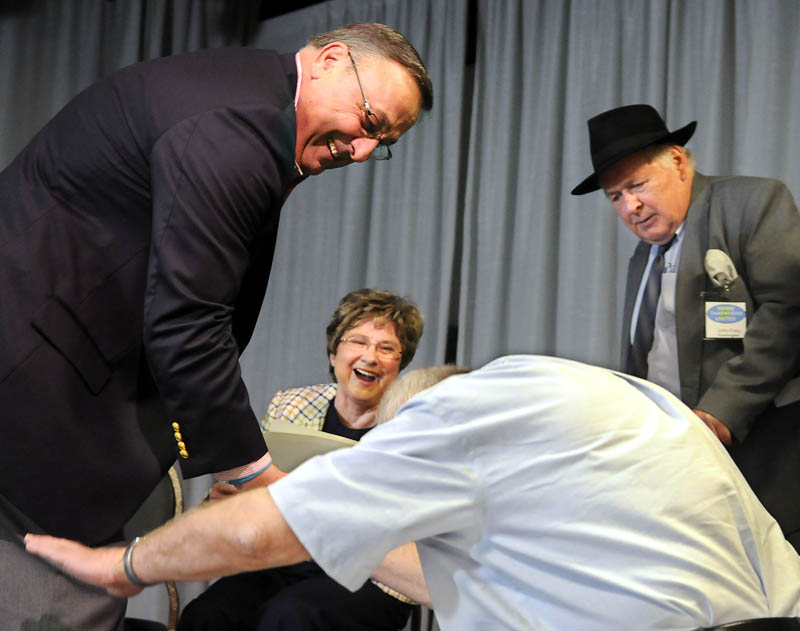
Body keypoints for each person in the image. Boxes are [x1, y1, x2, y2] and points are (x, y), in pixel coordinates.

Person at [0, 22, 432, 630]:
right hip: (36, 399)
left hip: (53, 385)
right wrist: (250, 472)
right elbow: (188, 319)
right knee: (54, 604)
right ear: (332, 59)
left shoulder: (243, 98)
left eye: (381, 142)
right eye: (369, 119)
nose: (361, 150)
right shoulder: (237, 124)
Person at [25, 355, 800, 630]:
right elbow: (447, 577)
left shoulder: (447, 416)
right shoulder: (612, 400)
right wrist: (319, 513)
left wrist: (121, 565)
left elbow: (265, 533)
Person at [571, 104, 800, 551]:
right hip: (689, 456)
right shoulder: (645, 257)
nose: (631, 207)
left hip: (769, 439)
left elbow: (788, 309)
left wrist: (721, 410)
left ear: (677, 161)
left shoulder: (750, 203)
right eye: (615, 197)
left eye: (637, 186)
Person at [178, 288, 424, 631]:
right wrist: (229, 501)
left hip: (372, 575)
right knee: (206, 616)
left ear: (401, 363)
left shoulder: (414, 429)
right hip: (287, 561)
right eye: (357, 342)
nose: (370, 357)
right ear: (335, 351)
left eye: (386, 348)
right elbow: (257, 493)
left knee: (289, 617)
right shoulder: (290, 406)